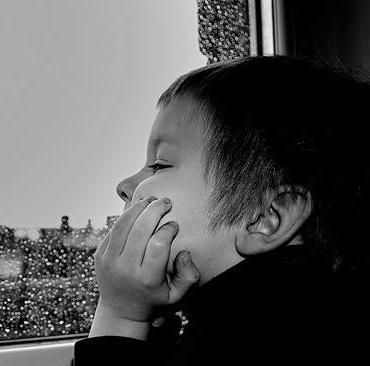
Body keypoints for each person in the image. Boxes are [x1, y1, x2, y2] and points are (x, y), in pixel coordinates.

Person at [74, 55, 370, 365]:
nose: (124, 185)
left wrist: (122, 315)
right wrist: (155, 323)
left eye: (160, 165)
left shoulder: (255, 334)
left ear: (266, 217)